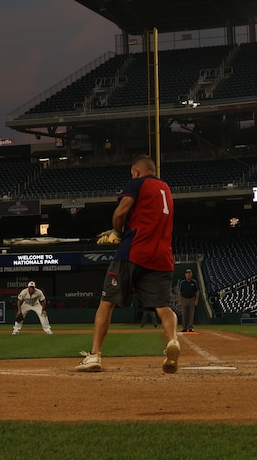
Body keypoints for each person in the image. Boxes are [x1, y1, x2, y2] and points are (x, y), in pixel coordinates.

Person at [76, 155, 179, 373]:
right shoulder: (166, 189)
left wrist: (117, 232)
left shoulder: (137, 183)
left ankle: (94, 355)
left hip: (132, 252)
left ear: (136, 172)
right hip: (162, 256)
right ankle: (172, 341)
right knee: (164, 306)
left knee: (106, 303)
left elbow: (121, 211)